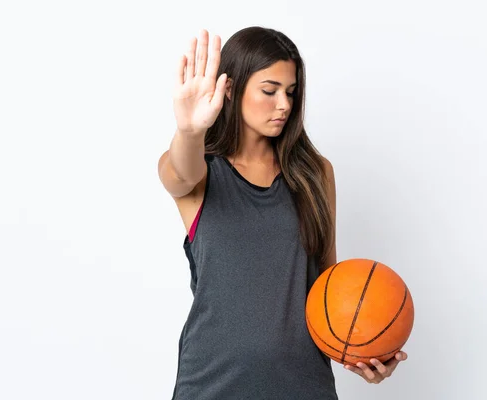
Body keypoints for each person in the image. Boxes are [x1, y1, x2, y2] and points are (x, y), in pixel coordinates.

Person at [158, 26, 408, 400]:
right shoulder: (202, 172)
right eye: (269, 90)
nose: (285, 105)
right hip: (211, 385)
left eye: (291, 92)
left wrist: (365, 351)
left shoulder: (315, 174)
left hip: (303, 387)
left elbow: (329, 290)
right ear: (231, 90)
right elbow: (178, 174)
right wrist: (189, 131)